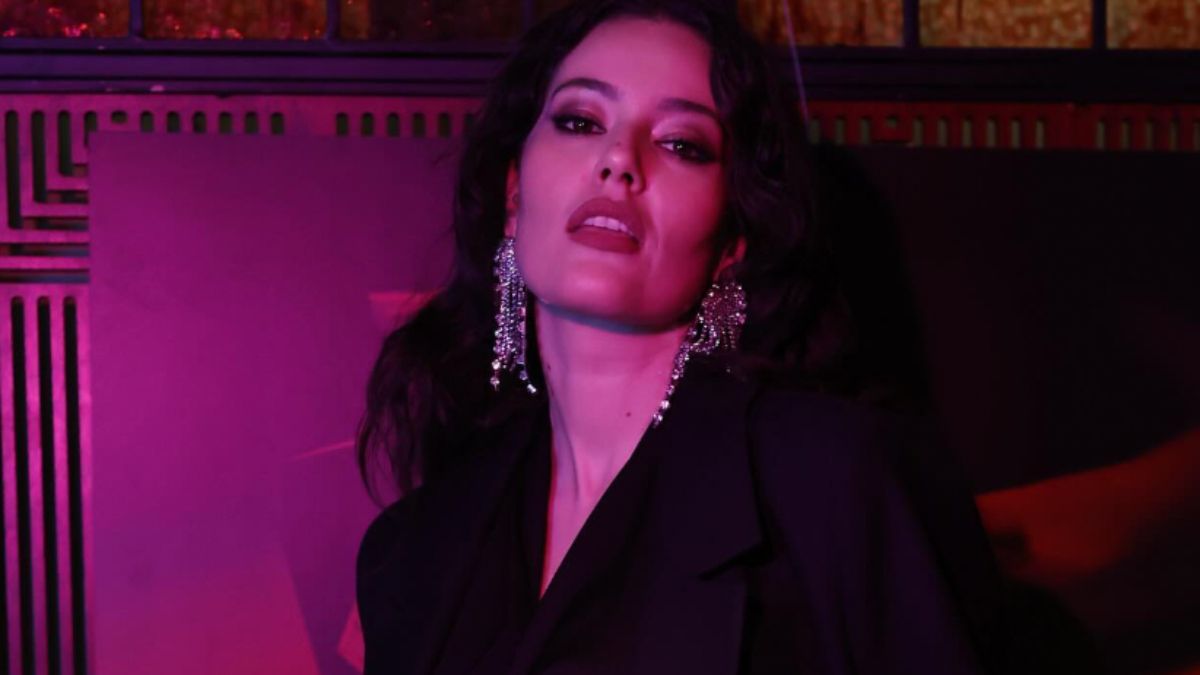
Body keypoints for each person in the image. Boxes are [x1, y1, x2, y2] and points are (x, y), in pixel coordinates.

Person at [355, 1, 1010, 673]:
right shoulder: (412, 551)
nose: (619, 158)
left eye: (682, 144)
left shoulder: (837, 483)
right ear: (515, 192)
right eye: (580, 121)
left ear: (732, 239)